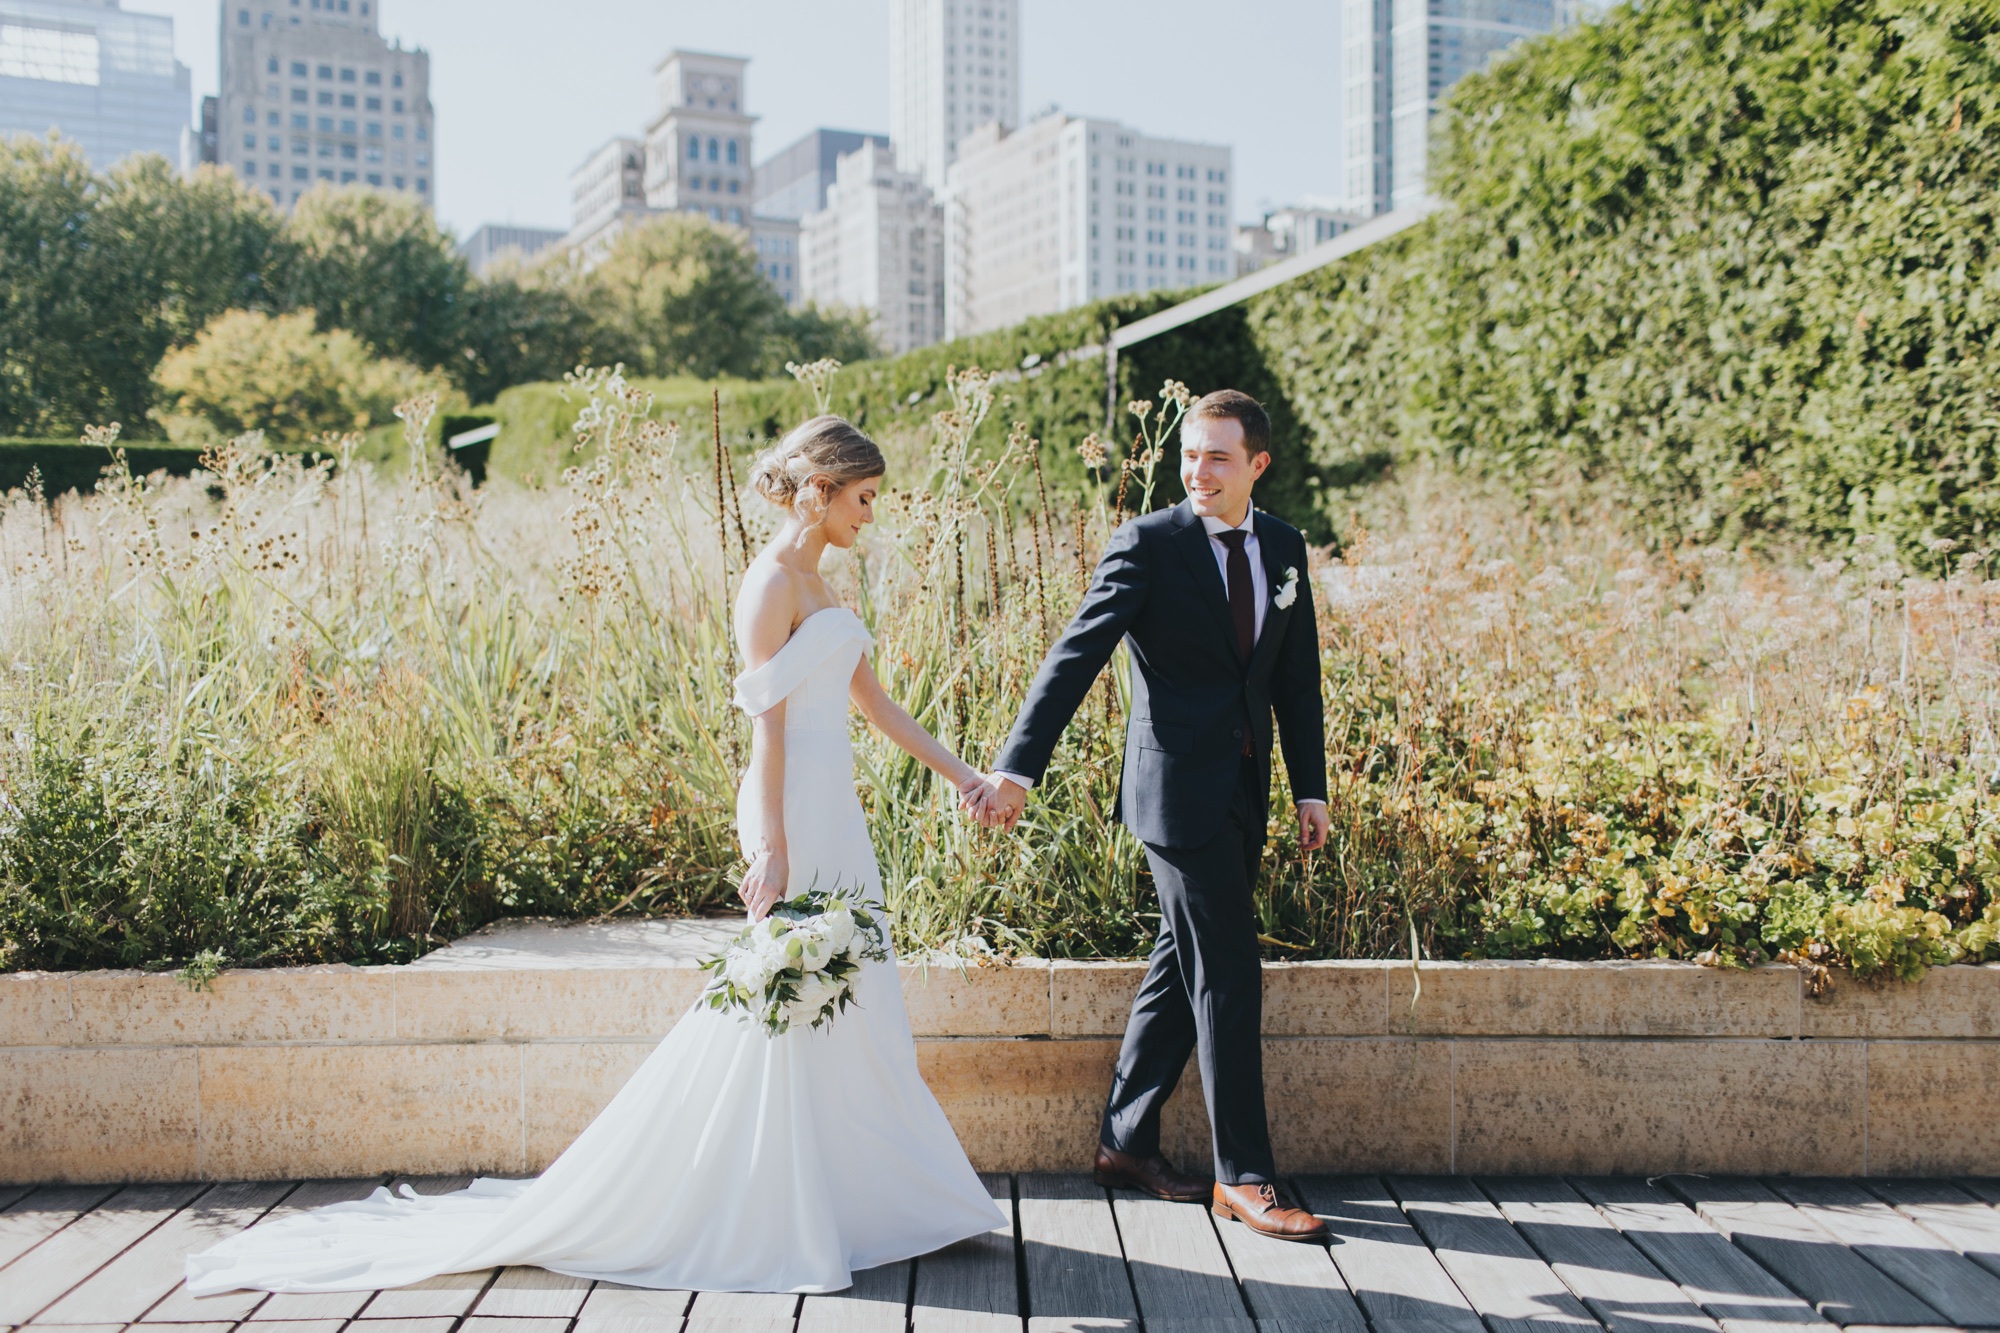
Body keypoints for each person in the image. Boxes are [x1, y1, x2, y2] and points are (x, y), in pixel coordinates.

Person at [185, 416, 1005, 1296]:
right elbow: (765, 730)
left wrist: (966, 776)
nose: (870, 516)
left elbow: (876, 703)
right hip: (794, 810)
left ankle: (867, 1202)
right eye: (864, 498)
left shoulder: (825, 584)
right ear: (820, 490)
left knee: (856, 998)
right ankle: (760, 1204)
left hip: (836, 814)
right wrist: (769, 843)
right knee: (784, 997)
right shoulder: (770, 585)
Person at [967, 389, 1332, 1243]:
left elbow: (1295, 676)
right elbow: (1075, 656)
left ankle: (1125, 1142)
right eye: (1189, 454)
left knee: (1183, 960)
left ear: (1257, 466)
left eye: (1217, 457)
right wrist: (1017, 768)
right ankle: (1244, 1176)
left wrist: (1310, 785)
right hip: (1174, 797)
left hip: (1246, 793)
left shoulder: (1282, 546)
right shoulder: (1149, 544)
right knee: (1230, 971)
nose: (1196, 472)